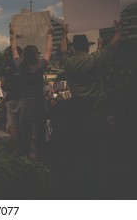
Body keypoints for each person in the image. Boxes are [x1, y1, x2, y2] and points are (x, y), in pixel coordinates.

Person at [60, 20, 123, 193]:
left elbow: (63, 50)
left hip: (77, 106)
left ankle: (81, 173)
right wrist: (118, 28)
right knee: (96, 139)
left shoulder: (69, 62)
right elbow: (112, 45)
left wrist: (64, 34)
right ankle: (97, 174)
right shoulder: (94, 60)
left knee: (80, 140)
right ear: (87, 47)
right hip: (95, 107)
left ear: (75, 47)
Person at [11, 23, 53, 159]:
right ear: (35, 56)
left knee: (26, 133)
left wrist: (13, 35)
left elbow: (14, 52)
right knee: (41, 132)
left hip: (26, 104)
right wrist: (50, 34)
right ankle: (42, 156)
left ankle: (25, 156)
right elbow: (48, 52)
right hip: (40, 103)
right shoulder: (40, 66)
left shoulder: (20, 68)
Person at [3, 45, 22, 154]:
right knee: (23, 123)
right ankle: (25, 148)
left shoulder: (6, 67)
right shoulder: (21, 65)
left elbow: (2, 83)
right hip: (22, 96)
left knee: (13, 125)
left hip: (10, 98)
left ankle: (15, 150)